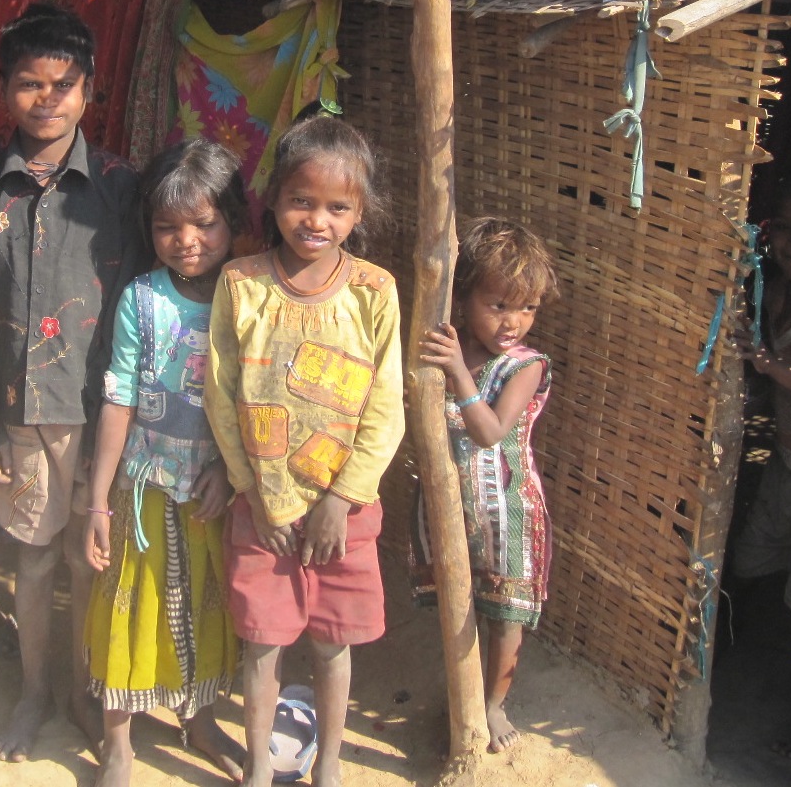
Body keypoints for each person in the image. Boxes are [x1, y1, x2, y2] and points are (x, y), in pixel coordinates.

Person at [0, 2, 143, 762]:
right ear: (2, 88)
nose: (47, 97)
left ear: (88, 89)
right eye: (29, 82)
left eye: (63, 83)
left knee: (88, 559)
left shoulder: (119, 188)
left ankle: (90, 688)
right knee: (30, 555)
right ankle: (35, 690)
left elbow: (143, 307)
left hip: (101, 414)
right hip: (18, 412)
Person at [205, 114, 405, 787]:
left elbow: (384, 405)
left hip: (341, 513)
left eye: (336, 206)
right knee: (261, 645)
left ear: (359, 211)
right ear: (273, 199)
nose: (315, 219)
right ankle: (260, 765)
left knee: (330, 645)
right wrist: (253, 490)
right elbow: (222, 392)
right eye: (300, 201)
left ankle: (328, 765)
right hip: (262, 509)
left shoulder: (374, 292)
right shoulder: (240, 283)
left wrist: (341, 498)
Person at [84, 139, 249, 787]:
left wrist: (231, 471)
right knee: (128, 603)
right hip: (145, 486)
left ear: (233, 219)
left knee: (208, 601)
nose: (187, 240)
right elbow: (118, 402)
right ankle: (117, 739)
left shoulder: (246, 296)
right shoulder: (140, 300)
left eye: (204, 223)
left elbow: (252, 398)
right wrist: (98, 500)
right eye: (167, 227)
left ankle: (200, 720)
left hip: (215, 486)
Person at [412, 216, 559, 754]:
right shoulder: (449, 347)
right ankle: (467, 695)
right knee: (462, 604)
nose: (512, 322)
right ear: (464, 297)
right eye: (498, 305)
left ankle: (494, 705)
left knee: (506, 616)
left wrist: (457, 372)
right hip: (454, 508)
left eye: (527, 308)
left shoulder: (526, 366)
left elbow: (491, 432)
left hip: (508, 512)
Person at [735, 184, 791, 642]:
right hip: (785, 461)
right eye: (784, 230)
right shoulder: (774, 292)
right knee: (752, 558)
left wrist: (766, 363)